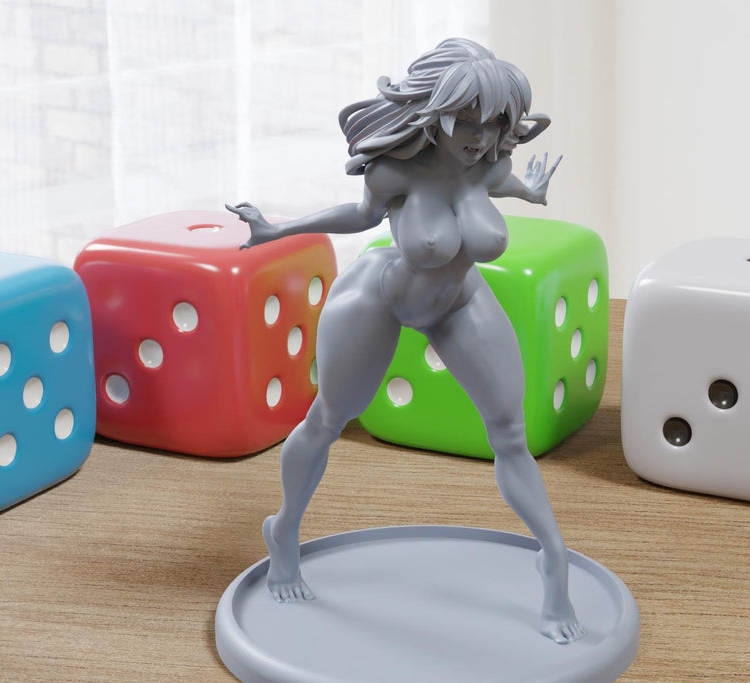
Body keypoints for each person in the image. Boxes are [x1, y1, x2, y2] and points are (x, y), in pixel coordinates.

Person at [226, 37, 582, 644]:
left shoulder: (488, 166)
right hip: (381, 297)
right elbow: (360, 216)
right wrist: (277, 230)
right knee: (328, 417)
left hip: (460, 301)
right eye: (467, 119)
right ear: (435, 112)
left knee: (510, 432)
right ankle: (283, 531)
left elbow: (511, 188)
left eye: (494, 122)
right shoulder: (396, 170)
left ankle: (553, 558)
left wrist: (533, 190)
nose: (480, 135)